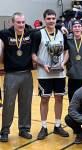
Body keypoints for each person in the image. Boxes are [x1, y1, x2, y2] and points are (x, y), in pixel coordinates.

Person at [31, 9, 69, 140]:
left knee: (59, 98)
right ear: (44, 19)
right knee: (44, 99)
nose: (51, 21)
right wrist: (43, 64)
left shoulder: (61, 33)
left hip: (59, 73)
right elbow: (33, 55)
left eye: (53, 18)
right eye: (49, 18)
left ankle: (58, 125)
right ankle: (44, 126)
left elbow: (66, 51)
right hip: (44, 73)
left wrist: (63, 63)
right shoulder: (38, 34)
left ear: (55, 19)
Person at [0, 12, 33, 142]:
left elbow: (47, 28)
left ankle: (24, 129)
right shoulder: (4, 34)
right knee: (8, 104)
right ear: (12, 22)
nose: (21, 25)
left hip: (27, 74)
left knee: (26, 104)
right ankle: (5, 131)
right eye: (18, 22)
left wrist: (61, 28)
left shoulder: (31, 33)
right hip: (11, 75)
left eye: (23, 22)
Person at [63, 20, 82, 102]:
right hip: (73, 76)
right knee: (72, 100)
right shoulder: (68, 41)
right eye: (75, 27)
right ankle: (73, 115)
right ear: (72, 29)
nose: (77, 28)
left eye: (79, 26)